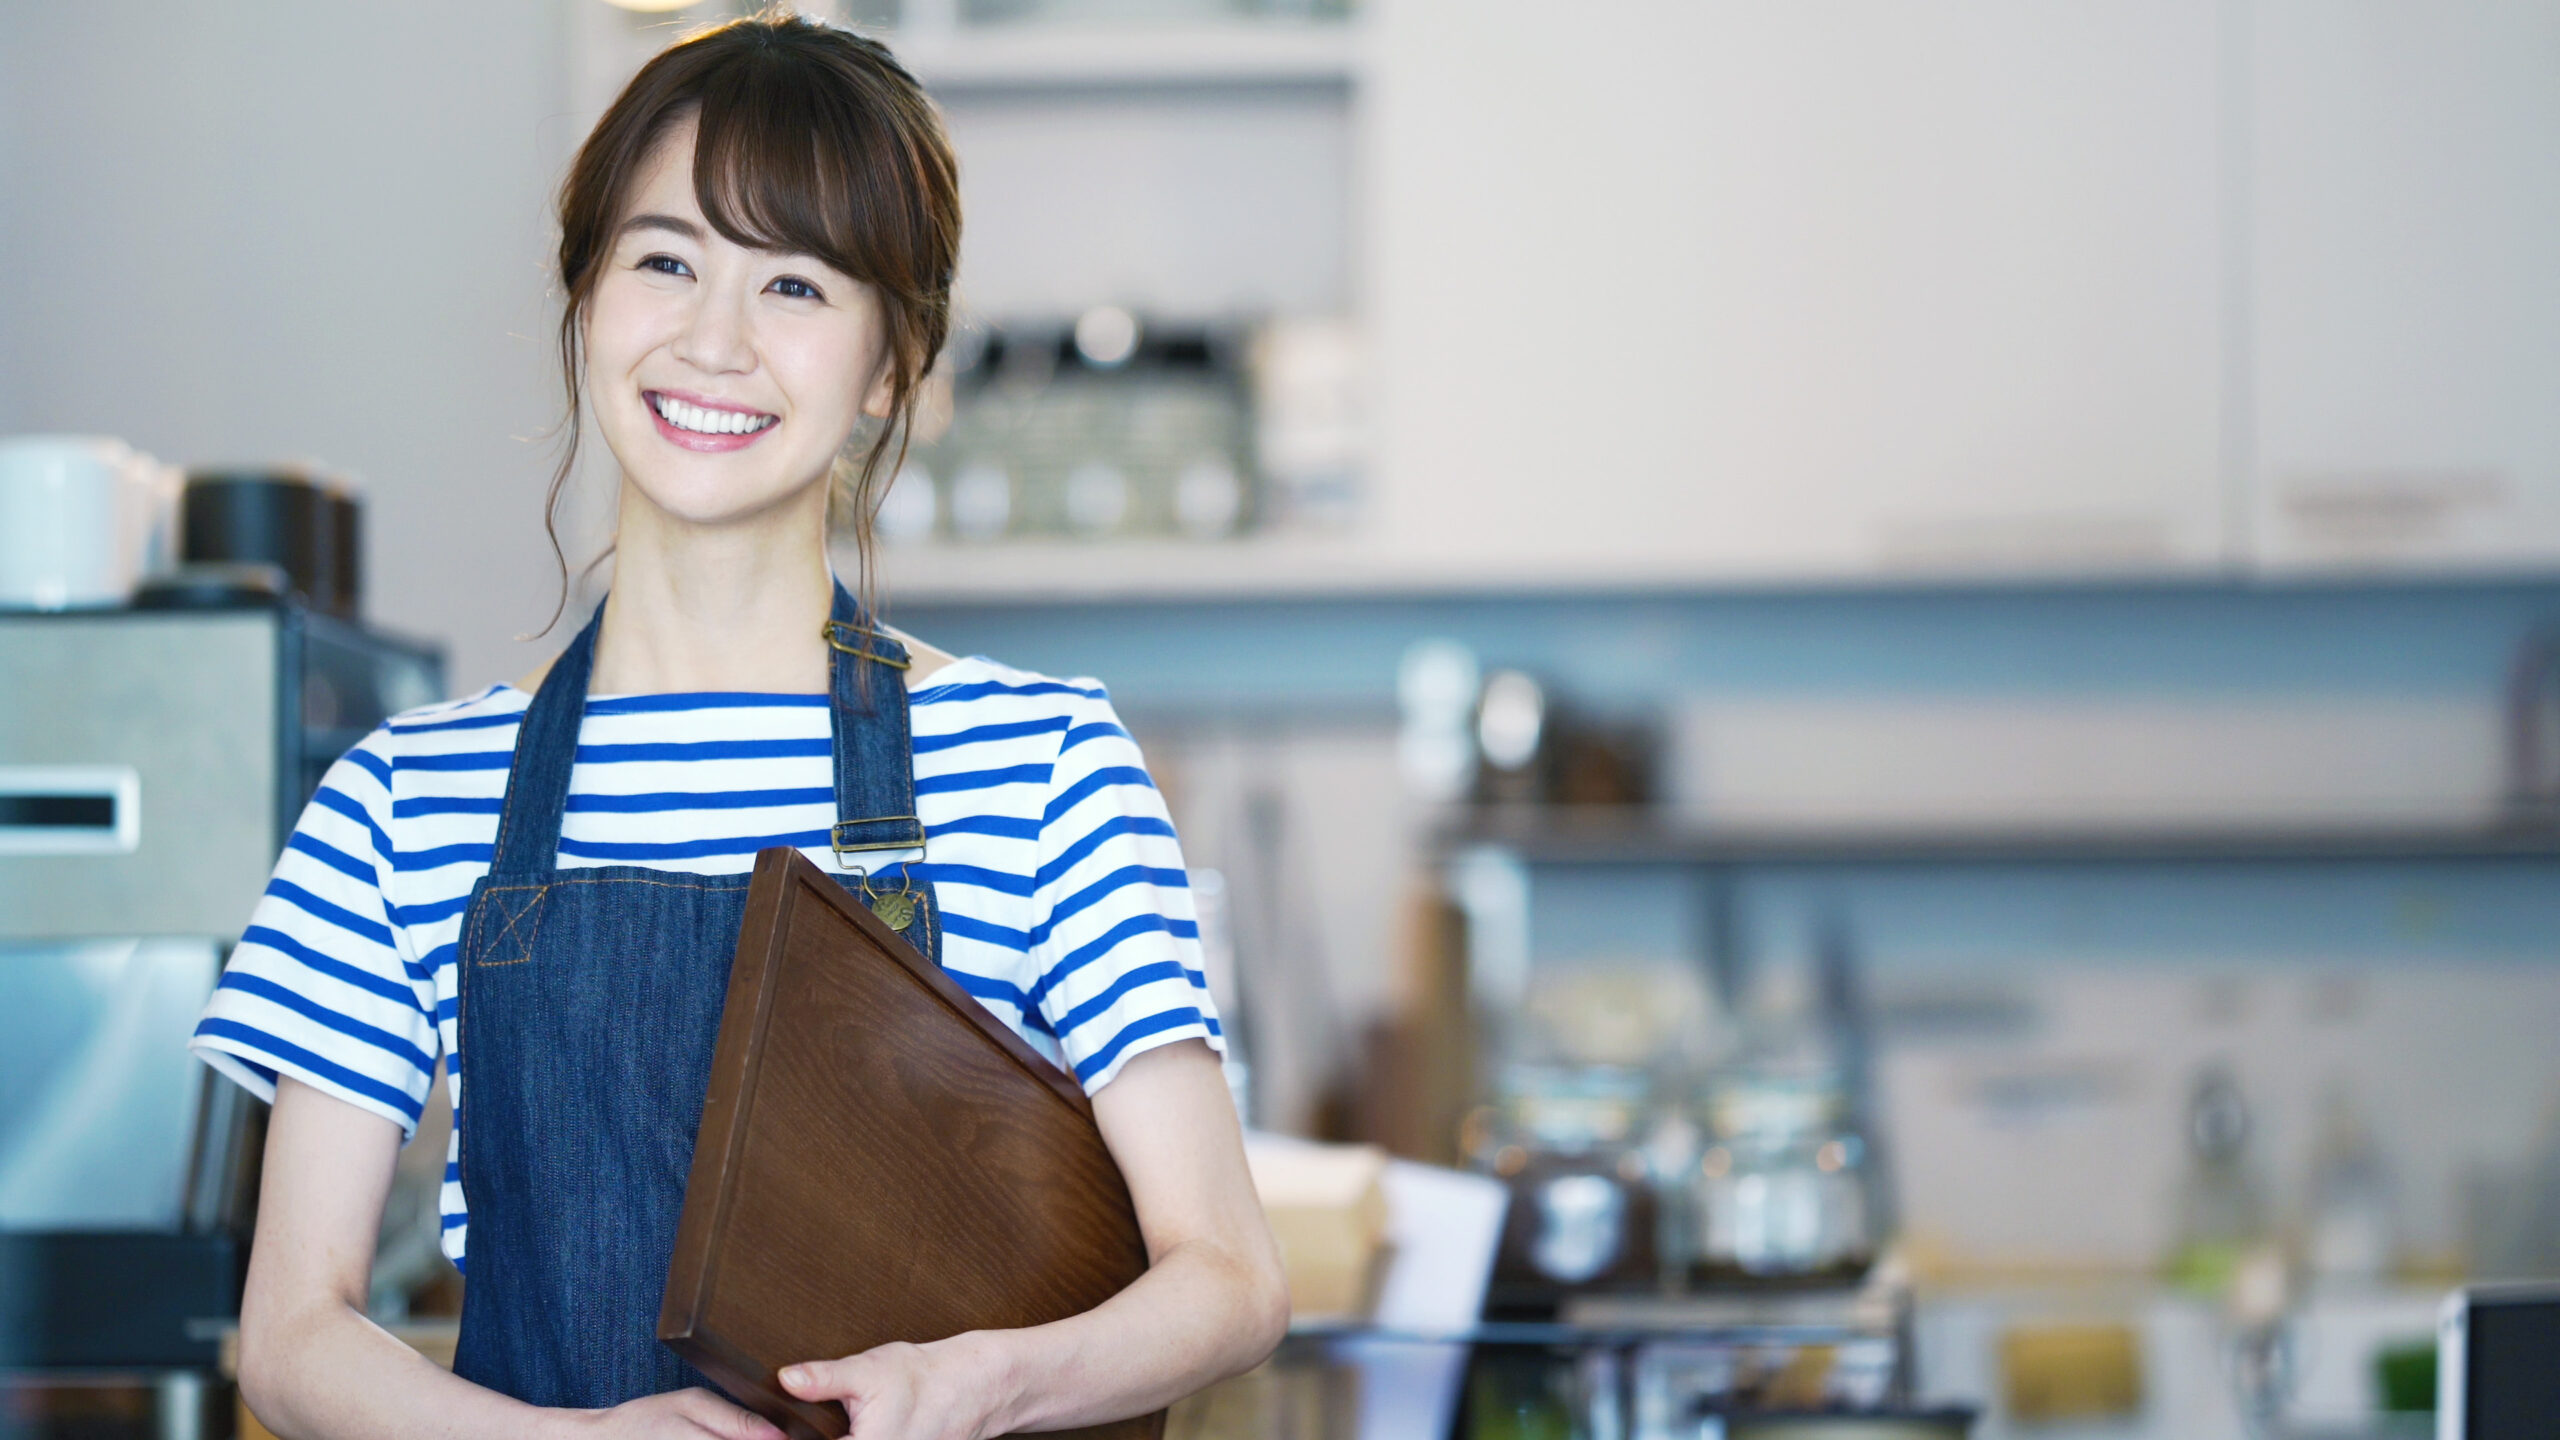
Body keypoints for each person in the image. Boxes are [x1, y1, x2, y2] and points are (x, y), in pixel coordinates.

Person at [189, 16, 1288, 1439]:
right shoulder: (405, 795)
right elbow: (289, 1334)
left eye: (795, 283)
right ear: (583, 298)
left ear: (895, 365)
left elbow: (1228, 1275)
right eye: (663, 260)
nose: (714, 340)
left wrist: (980, 1382)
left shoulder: (1043, 762)